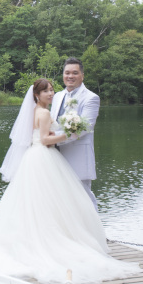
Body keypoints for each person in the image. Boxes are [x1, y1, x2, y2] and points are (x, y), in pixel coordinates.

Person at [0, 79, 140, 284]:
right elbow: (44, 139)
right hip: (43, 155)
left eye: (52, 90)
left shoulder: (36, 110)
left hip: (33, 157)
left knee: (35, 201)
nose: (51, 94)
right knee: (51, 200)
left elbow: (39, 135)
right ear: (37, 95)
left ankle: (34, 236)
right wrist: (68, 135)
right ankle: (50, 238)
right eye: (46, 92)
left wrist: (55, 134)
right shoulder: (44, 113)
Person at [51, 58, 100, 209]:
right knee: (61, 200)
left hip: (77, 156)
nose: (70, 76)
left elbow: (84, 128)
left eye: (75, 73)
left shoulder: (91, 98)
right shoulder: (57, 96)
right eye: (67, 73)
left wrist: (54, 140)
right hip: (54, 157)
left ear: (82, 75)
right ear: (63, 75)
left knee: (84, 198)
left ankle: (94, 231)